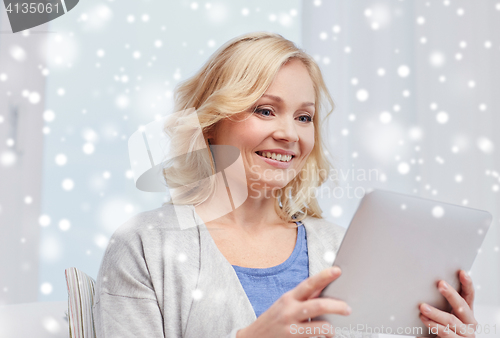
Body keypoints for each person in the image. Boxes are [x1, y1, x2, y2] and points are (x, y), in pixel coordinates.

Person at [93, 32, 478, 338]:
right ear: (211, 125)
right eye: (265, 110)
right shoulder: (145, 246)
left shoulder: (342, 249)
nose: (289, 134)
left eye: (304, 117)